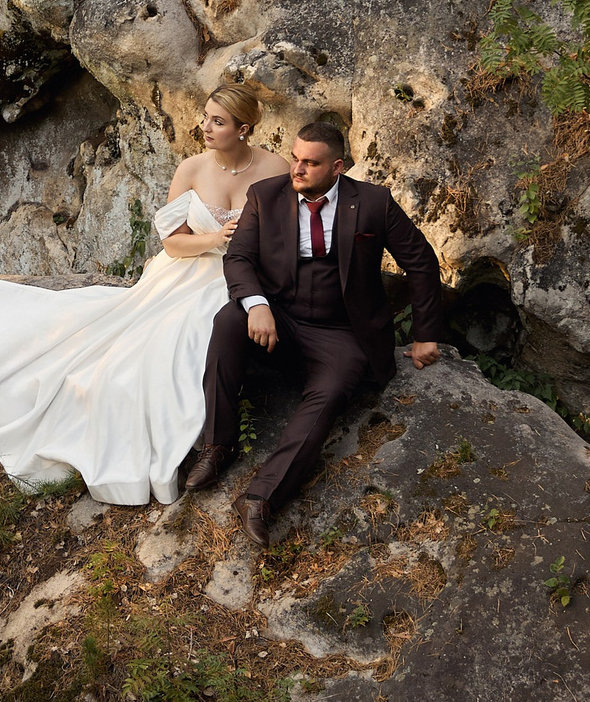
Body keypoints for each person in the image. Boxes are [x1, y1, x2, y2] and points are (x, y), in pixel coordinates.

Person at [0, 84, 289, 505]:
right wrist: (214, 237)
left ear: (243, 129)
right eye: (206, 116)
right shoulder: (192, 169)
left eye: (218, 121)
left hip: (237, 277)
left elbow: (286, 237)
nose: (205, 127)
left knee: (190, 335)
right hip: (185, 270)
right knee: (128, 346)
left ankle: (205, 440)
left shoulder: (276, 169)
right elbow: (173, 243)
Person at [187, 119, 447, 546]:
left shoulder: (373, 202)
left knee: (331, 392)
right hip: (280, 319)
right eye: (295, 158)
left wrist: (425, 334)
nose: (298, 169)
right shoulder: (265, 196)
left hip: (342, 332)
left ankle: (261, 497)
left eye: (311, 162)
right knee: (227, 320)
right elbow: (238, 260)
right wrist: (257, 306)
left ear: (337, 167)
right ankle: (217, 445)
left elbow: (420, 261)